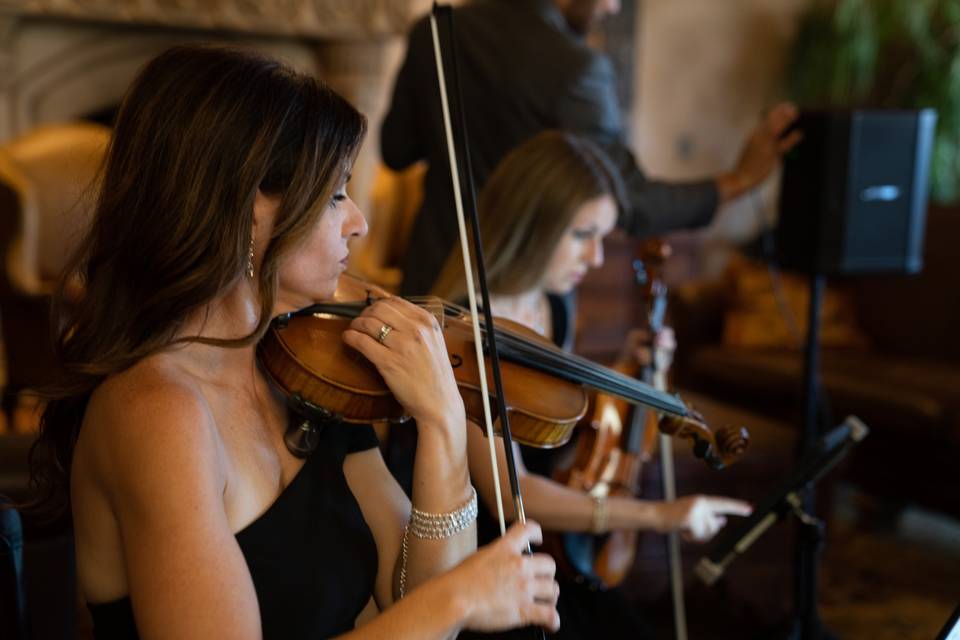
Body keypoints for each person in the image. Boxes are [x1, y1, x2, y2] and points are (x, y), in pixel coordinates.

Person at [26, 45, 560, 639]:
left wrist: (441, 424)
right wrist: (457, 601)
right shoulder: (158, 412)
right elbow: (438, 610)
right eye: (334, 195)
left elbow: (411, 596)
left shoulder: (309, 374)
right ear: (245, 211)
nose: (359, 221)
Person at [424, 131, 751, 639]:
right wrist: (661, 515)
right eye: (583, 235)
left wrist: (621, 370)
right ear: (533, 226)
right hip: (483, 564)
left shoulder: (551, 304)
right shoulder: (464, 335)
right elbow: (515, 496)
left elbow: (553, 420)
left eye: (603, 236)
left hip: (550, 553)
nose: (598, 258)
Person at [381, 0, 802, 296]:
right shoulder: (577, 69)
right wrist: (739, 180)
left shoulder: (434, 30)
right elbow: (632, 200)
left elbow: (396, 150)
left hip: (431, 277)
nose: (613, 6)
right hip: (526, 294)